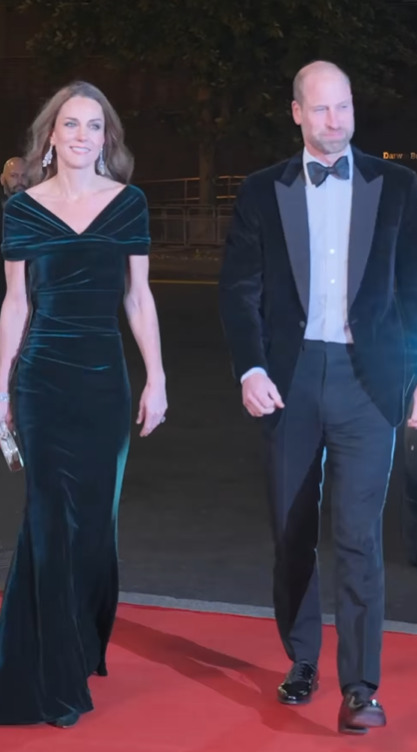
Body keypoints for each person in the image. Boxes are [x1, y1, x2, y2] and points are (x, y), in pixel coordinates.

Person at [219, 60, 417, 735]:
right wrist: (249, 368)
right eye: (320, 108)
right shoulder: (263, 191)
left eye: (343, 106)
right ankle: (301, 658)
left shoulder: (395, 185)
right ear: (296, 113)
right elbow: (239, 290)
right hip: (288, 380)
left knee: (356, 536)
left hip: (367, 380)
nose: (335, 120)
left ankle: (360, 686)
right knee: (292, 532)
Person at [0, 81, 167, 727]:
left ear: (106, 138)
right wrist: (1, 386)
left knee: (93, 528)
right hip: (41, 382)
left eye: (94, 126)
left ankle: (70, 645)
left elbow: (138, 297)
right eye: (70, 124)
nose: (81, 136)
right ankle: (52, 677)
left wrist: (156, 378)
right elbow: (16, 304)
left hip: (103, 384)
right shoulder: (23, 208)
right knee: (48, 520)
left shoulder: (128, 204)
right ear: (51, 135)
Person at [0, 157, 29, 301]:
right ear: (2, 179)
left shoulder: (39, 212)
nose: (19, 181)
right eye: (13, 176)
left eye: (24, 176)